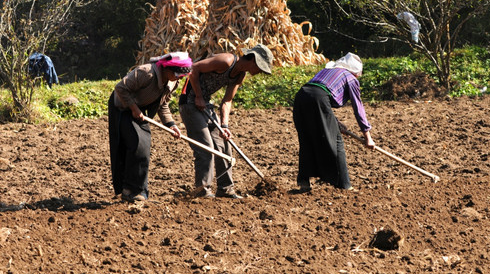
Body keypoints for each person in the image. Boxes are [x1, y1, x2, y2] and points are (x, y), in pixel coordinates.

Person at [179, 44, 274, 199]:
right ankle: (202, 190)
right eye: (260, 68)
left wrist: (225, 125)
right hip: (189, 102)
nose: (259, 73)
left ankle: (225, 188)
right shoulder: (226, 61)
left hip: (205, 105)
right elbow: (194, 68)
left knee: (224, 145)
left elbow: (227, 101)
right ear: (254, 60)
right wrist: (198, 96)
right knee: (206, 148)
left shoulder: (239, 75)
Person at [108, 52, 192, 202]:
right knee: (136, 144)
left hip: (139, 110)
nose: (179, 78)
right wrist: (134, 108)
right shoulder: (146, 73)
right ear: (167, 69)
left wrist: (171, 124)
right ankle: (130, 190)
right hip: (121, 106)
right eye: (177, 74)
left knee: (142, 146)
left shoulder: (173, 82)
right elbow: (120, 88)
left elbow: (163, 104)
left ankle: (136, 191)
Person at [293, 52, 375, 191]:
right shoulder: (350, 78)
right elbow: (358, 107)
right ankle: (344, 184)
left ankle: (304, 182)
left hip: (301, 97)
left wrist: (335, 122)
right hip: (317, 100)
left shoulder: (328, 71)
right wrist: (368, 137)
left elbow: (317, 94)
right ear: (355, 72)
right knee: (337, 141)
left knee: (307, 139)